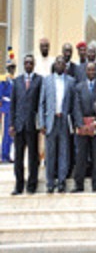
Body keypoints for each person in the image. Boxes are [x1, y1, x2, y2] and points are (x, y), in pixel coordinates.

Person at [39, 56, 76, 193]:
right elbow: (42, 103)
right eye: (58, 63)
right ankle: (50, 183)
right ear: (55, 65)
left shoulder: (71, 82)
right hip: (51, 121)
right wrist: (42, 123)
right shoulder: (47, 80)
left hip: (64, 121)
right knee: (50, 153)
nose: (61, 65)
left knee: (63, 152)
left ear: (65, 67)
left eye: (63, 63)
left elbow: (74, 104)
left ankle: (61, 182)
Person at [10, 55, 43, 195]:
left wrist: (40, 123)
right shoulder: (17, 82)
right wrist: (12, 124)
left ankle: (31, 185)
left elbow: (41, 103)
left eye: (30, 62)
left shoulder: (39, 80)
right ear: (23, 65)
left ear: (34, 64)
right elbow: (13, 104)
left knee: (33, 157)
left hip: (32, 124)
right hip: (19, 124)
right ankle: (18, 185)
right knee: (18, 157)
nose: (28, 64)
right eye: (26, 62)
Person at [71, 62, 96, 193]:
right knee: (81, 155)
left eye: (93, 70)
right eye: (89, 70)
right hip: (82, 125)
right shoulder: (78, 87)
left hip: (95, 125)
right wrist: (80, 124)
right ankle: (79, 184)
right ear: (85, 71)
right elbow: (76, 107)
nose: (91, 72)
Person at [0, 58, 16, 162]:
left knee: (11, 134)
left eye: (13, 67)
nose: (12, 69)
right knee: (5, 133)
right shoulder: (4, 79)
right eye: (10, 67)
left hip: (13, 108)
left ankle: (8, 154)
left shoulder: (14, 80)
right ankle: (3, 155)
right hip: (6, 107)